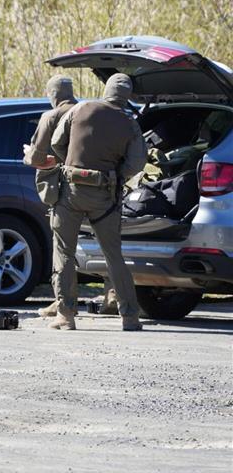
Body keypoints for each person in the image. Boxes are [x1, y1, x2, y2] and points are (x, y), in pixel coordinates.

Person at [48, 73, 147, 331]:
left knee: (64, 253)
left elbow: (57, 142)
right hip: (105, 194)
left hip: (70, 191)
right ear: (127, 96)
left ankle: (66, 315)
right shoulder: (130, 124)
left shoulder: (81, 108)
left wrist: (71, 162)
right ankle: (130, 317)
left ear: (106, 90)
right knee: (113, 255)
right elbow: (137, 163)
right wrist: (115, 176)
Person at [24, 75, 78, 318]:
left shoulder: (51, 116)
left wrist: (29, 156)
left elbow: (36, 158)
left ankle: (63, 305)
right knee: (103, 248)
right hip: (99, 189)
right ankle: (113, 297)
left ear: (52, 95)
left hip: (63, 190)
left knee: (63, 249)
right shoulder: (87, 112)